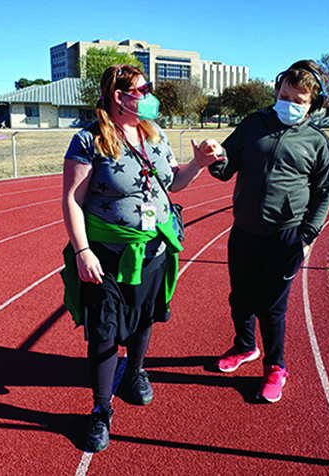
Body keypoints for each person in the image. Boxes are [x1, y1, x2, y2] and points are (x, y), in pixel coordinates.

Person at [61, 64, 222, 452]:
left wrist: (198, 164)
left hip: (154, 249)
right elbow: (72, 199)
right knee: (103, 332)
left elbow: (173, 181)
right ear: (119, 97)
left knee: (143, 317)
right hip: (107, 254)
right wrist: (82, 251)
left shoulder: (155, 134)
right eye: (142, 89)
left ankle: (134, 373)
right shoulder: (89, 141)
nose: (149, 96)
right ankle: (101, 410)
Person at [198, 60, 329, 403]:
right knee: (240, 298)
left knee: (272, 308)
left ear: (312, 105)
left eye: (299, 100)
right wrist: (214, 155)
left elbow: (324, 190)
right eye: (285, 94)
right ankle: (245, 346)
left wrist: (307, 235)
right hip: (243, 231)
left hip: (285, 237)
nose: (289, 103)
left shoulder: (317, 142)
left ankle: (276, 367)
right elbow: (225, 167)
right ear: (277, 91)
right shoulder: (252, 125)